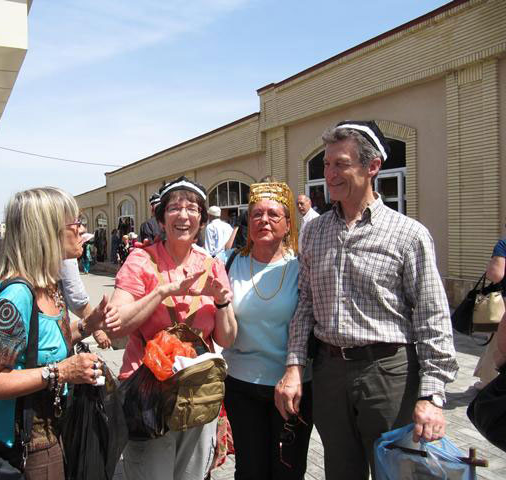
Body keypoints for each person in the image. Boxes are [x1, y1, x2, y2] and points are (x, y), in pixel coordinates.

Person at [280, 121, 458, 480]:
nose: (329, 174)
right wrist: (294, 366)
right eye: (326, 164)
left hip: (388, 375)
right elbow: (306, 304)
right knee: (340, 471)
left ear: (372, 166)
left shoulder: (408, 235)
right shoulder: (314, 231)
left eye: (341, 164)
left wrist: (431, 396)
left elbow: (432, 317)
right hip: (330, 373)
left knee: (394, 471)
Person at [0, 187, 120, 478]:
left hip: (53, 428)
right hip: (26, 443)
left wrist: (88, 325)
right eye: (75, 223)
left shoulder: (49, 285)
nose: (81, 230)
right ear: (47, 232)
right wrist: (61, 372)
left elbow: (44, 346)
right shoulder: (15, 298)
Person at [109, 176, 237, 480]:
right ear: (161, 218)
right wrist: (162, 291)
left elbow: (227, 338)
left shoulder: (212, 266)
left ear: (202, 220)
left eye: (192, 209)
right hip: (147, 396)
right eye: (174, 208)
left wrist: (222, 302)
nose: (183, 215)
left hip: (197, 395)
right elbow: (116, 326)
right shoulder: (140, 261)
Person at [218, 181, 312, 480]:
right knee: (249, 470)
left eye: (273, 214)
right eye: (257, 214)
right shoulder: (229, 263)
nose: (264, 221)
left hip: (292, 388)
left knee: (288, 470)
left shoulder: (302, 266)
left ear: (288, 224)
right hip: (241, 386)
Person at [473, 236, 506, 390]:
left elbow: (496, 274)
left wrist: (490, 265)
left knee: (497, 344)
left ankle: (488, 382)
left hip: (503, 303)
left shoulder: (503, 244)